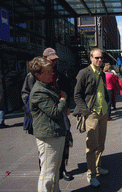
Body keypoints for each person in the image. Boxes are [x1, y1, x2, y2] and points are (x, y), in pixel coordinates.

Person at [21, 47, 73, 181]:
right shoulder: (33, 76)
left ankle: (61, 170)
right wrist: (33, 112)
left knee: (63, 144)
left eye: (55, 60)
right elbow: (26, 95)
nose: (54, 63)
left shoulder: (58, 74)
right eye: (51, 60)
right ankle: (46, 174)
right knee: (46, 155)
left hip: (58, 112)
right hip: (43, 117)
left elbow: (65, 91)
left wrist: (66, 105)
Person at [29, 56, 67, 192]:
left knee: (55, 170)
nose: (51, 74)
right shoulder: (39, 91)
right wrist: (62, 100)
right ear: (37, 75)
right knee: (48, 173)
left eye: (51, 70)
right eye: (47, 72)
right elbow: (55, 111)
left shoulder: (47, 86)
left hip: (55, 132)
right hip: (48, 136)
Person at [73, 48, 109, 187]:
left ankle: (98, 167)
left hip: (103, 112)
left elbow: (103, 91)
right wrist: (86, 111)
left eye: (101, 58)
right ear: (91, 58)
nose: (99, 60)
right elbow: (77, 95)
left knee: (101, 144)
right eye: (96, 58)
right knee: (91, 146)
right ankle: (91, 174)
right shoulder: (84, 73)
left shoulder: (102, 73)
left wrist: (107, 105)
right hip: (91, 113)